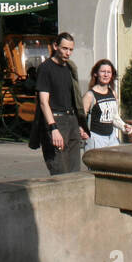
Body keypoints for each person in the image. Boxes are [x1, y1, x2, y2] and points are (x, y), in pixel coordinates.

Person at [36, 32, 88, 175]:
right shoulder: (45, 68)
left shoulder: (70, 67)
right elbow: (43, 102)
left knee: (74, 170)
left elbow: (73, 98)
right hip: (55, 119)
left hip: (71, 120)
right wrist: (53, 128)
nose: (68, 53)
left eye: (71, 49)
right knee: (59, 170)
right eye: (64, 48)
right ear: (55, 46)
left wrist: (79, 124)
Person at [83, 59, 129, 152]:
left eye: (109, 72)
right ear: (96, 74)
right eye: (103, 71)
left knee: (114, 165)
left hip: (112, 139)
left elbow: (114, 117)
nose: (106, 75)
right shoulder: (90, 95)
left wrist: (124, 126)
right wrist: (83, 131)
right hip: (96, 139)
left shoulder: (113, 93)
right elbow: (81, 117)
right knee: (98, 166)